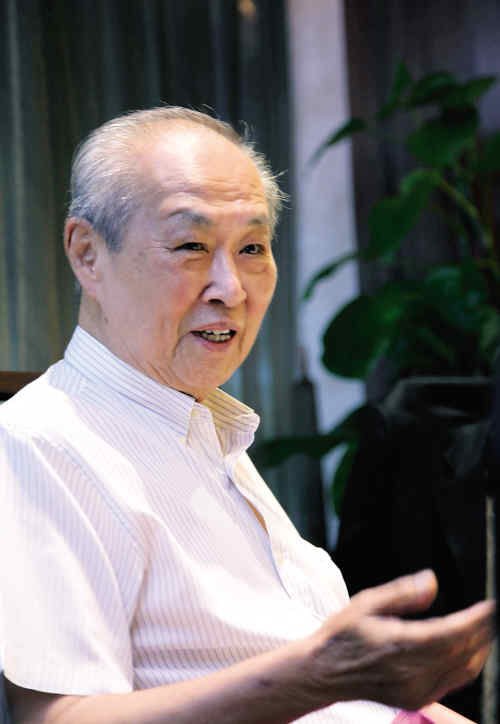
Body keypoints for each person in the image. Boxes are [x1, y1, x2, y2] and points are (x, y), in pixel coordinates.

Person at [0, 107, 495, 724]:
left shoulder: (203, 426)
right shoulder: (39, 441)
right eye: (191, 246)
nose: (231, 288)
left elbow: (347, 697)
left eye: (253, 247)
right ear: (87, 254)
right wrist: (313, 677)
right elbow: (61, 718)